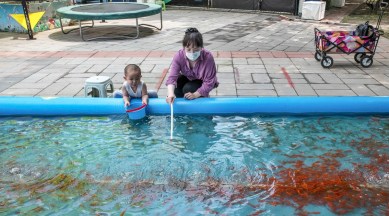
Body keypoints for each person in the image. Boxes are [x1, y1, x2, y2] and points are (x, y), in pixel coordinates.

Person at [165, 27, 218, 104]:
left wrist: (195, 95)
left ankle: (202, 98)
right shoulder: (179, 56)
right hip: (188, 77)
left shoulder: (208, 57)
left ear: (201, 47)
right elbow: (172, 77)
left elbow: (210, 81)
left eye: (196, 49)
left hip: (202, 81)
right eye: (188, 49)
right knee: (177, 86)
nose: (192, 52)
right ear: (184, 47)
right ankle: (183, 105)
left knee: (188, 89)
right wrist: (170, 94)